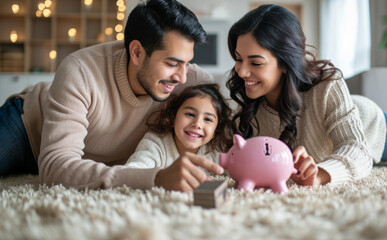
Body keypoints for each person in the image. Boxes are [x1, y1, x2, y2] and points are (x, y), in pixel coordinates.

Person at [0, 0, 225, 192]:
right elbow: (55, 167)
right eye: (171, 64)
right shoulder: (80, 70)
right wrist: (155, 178)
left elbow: (233, 111)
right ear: (136, 52)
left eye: (187, 64)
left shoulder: (191, 81)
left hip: (85, 162)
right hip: (27, 129)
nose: (182, 78)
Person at [226, 4, 387, 187]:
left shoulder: (326, 84)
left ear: (285, 63)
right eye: (238, 58)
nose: (242, 72)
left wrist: (322, 174)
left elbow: (356, 149)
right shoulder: (249, 104)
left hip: (368, 123)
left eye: (256, 63)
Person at [126, 84, 232, 170]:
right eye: (190, 114)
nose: (197, 124)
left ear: (216, 130)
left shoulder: (217, 151)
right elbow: (133, 172)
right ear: (173, 117)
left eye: (208, 119)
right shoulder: (155, 143)